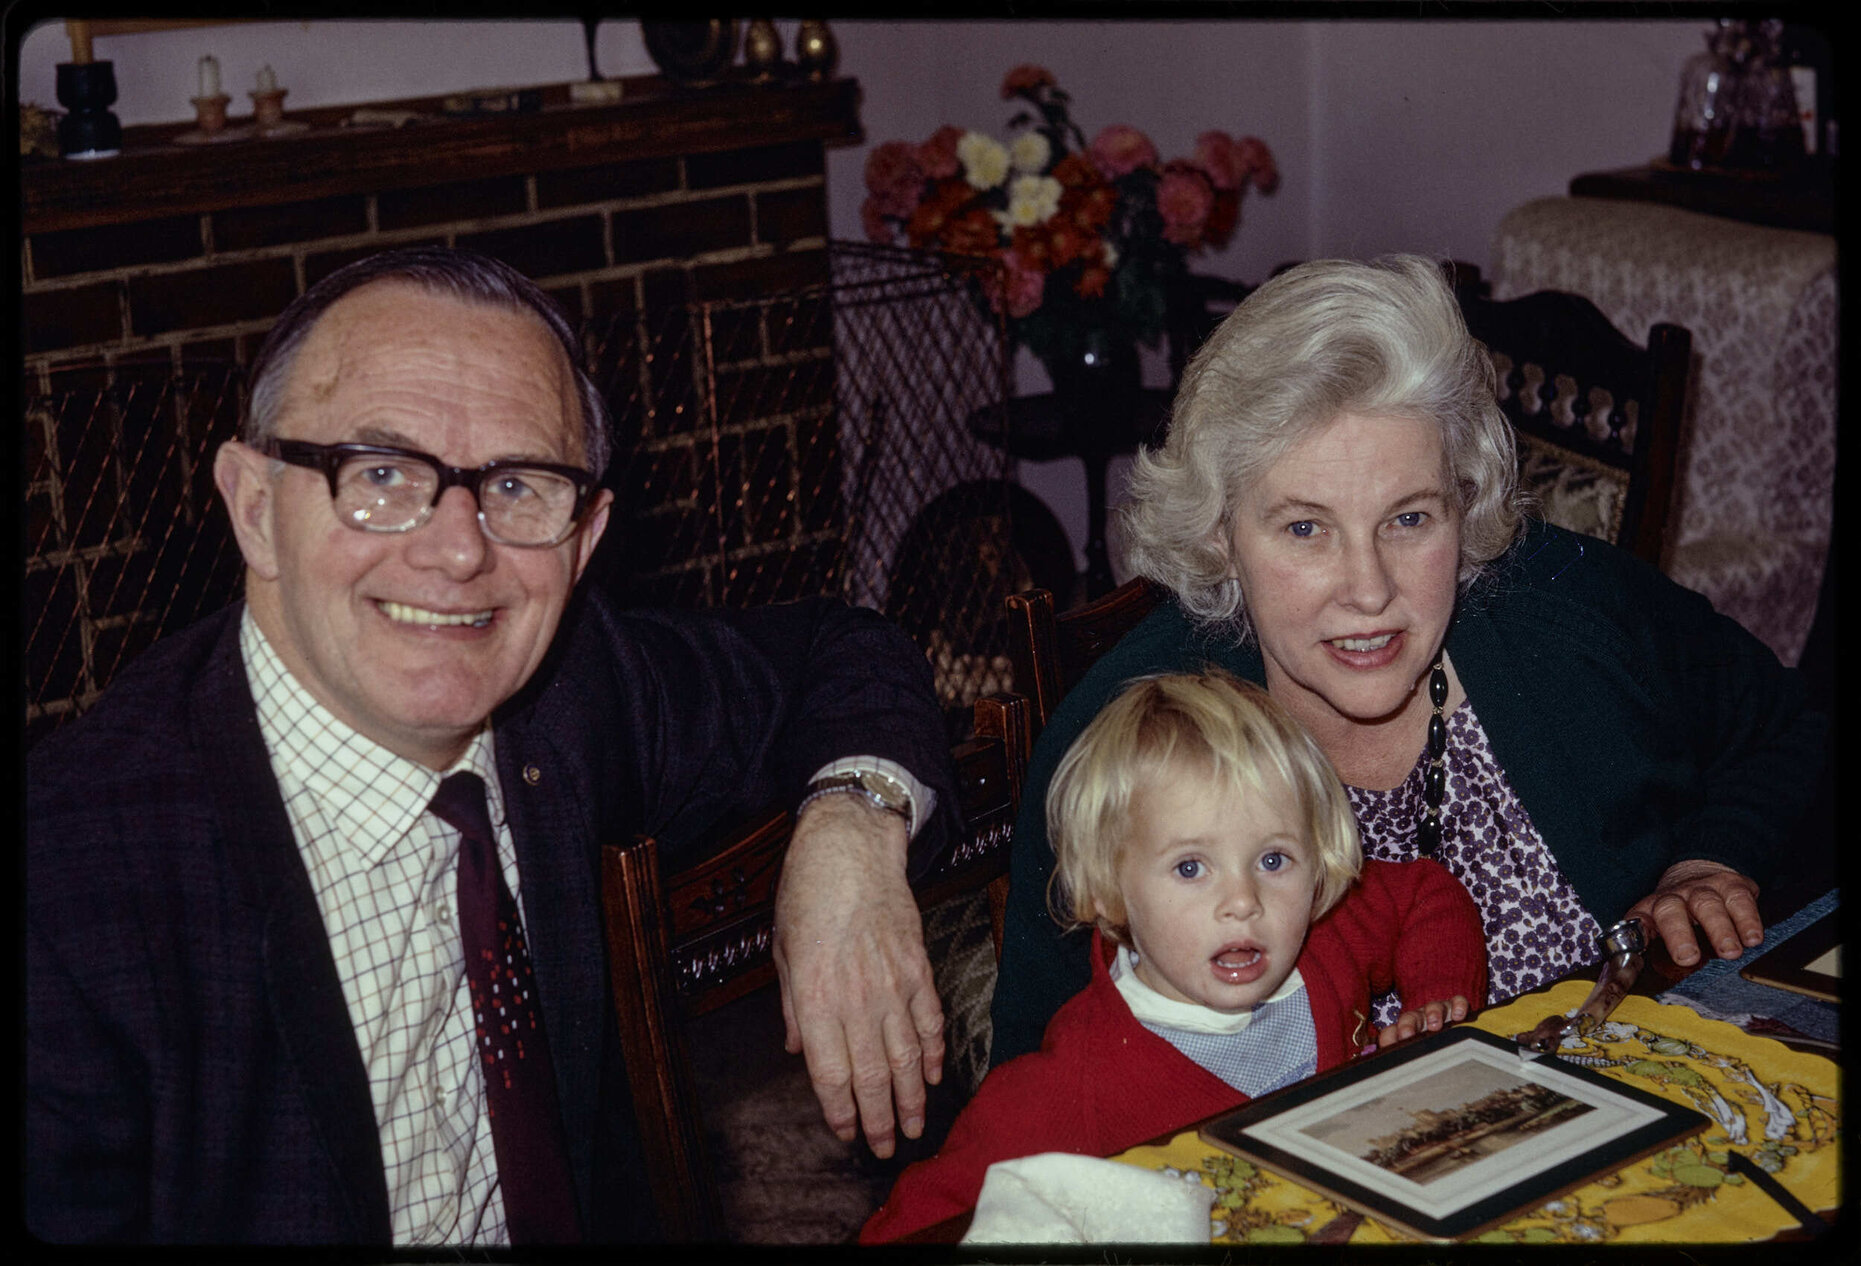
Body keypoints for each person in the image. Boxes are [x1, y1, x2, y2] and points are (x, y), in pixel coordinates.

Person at [26, 247, 960, 1244]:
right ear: (255, 509)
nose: (460, 550)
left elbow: (838, 652)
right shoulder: (68, 887)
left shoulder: (570, 688)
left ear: (585, 538)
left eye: (518, 485)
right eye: (380, 474)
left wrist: (853, 829)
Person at [990, 254, 1829, 1068]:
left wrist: (1712, 856)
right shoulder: (1126, 733)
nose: (1368, 589)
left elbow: (1791, 726)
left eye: (1409, 520)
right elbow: (1038, 1073)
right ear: (1219, 533)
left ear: (1462, 501)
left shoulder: (1566, 611)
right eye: (1304, 528)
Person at [862, 670, 1486, 1242]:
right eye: (1191, 867)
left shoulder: (1327, 938)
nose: (1242, 902)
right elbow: (919, 1222)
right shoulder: (1071, 1085)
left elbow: (1422, 894)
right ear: (1109, 892)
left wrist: (1434, 998)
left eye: (1273, 861)